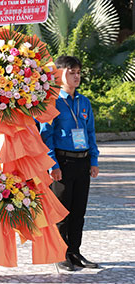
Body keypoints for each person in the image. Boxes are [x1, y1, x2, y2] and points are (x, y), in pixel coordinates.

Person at [40, 55, 100, 271]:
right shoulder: (52, 102)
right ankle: (60, 252)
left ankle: (74, 251)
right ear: (58, 74)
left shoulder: (83, 101)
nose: (76, 76)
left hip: (82, 161)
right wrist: (53, 164)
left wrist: (93, 159)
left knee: (78, 210)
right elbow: (46, 136)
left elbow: (90, 132)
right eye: (70, 72)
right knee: (61, 211)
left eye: (78, 72)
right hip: (62, 162)